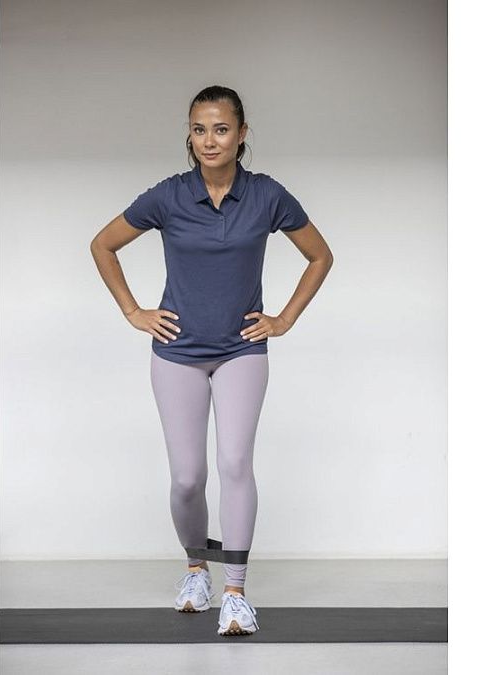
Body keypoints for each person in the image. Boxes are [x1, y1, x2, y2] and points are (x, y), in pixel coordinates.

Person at [89, 85, 333, 636]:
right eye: (199, 129)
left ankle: (236, 593)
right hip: (177, 351)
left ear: (241, 135)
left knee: (235, 463)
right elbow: (103, 244)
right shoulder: (169, 196)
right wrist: (133, 310)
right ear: (190, 134)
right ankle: (197, 569)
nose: (209, 140)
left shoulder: (267, 195)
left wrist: (284, 319)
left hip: (241, 348)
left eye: (221, 129)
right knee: (186, 478)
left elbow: (320, 256)